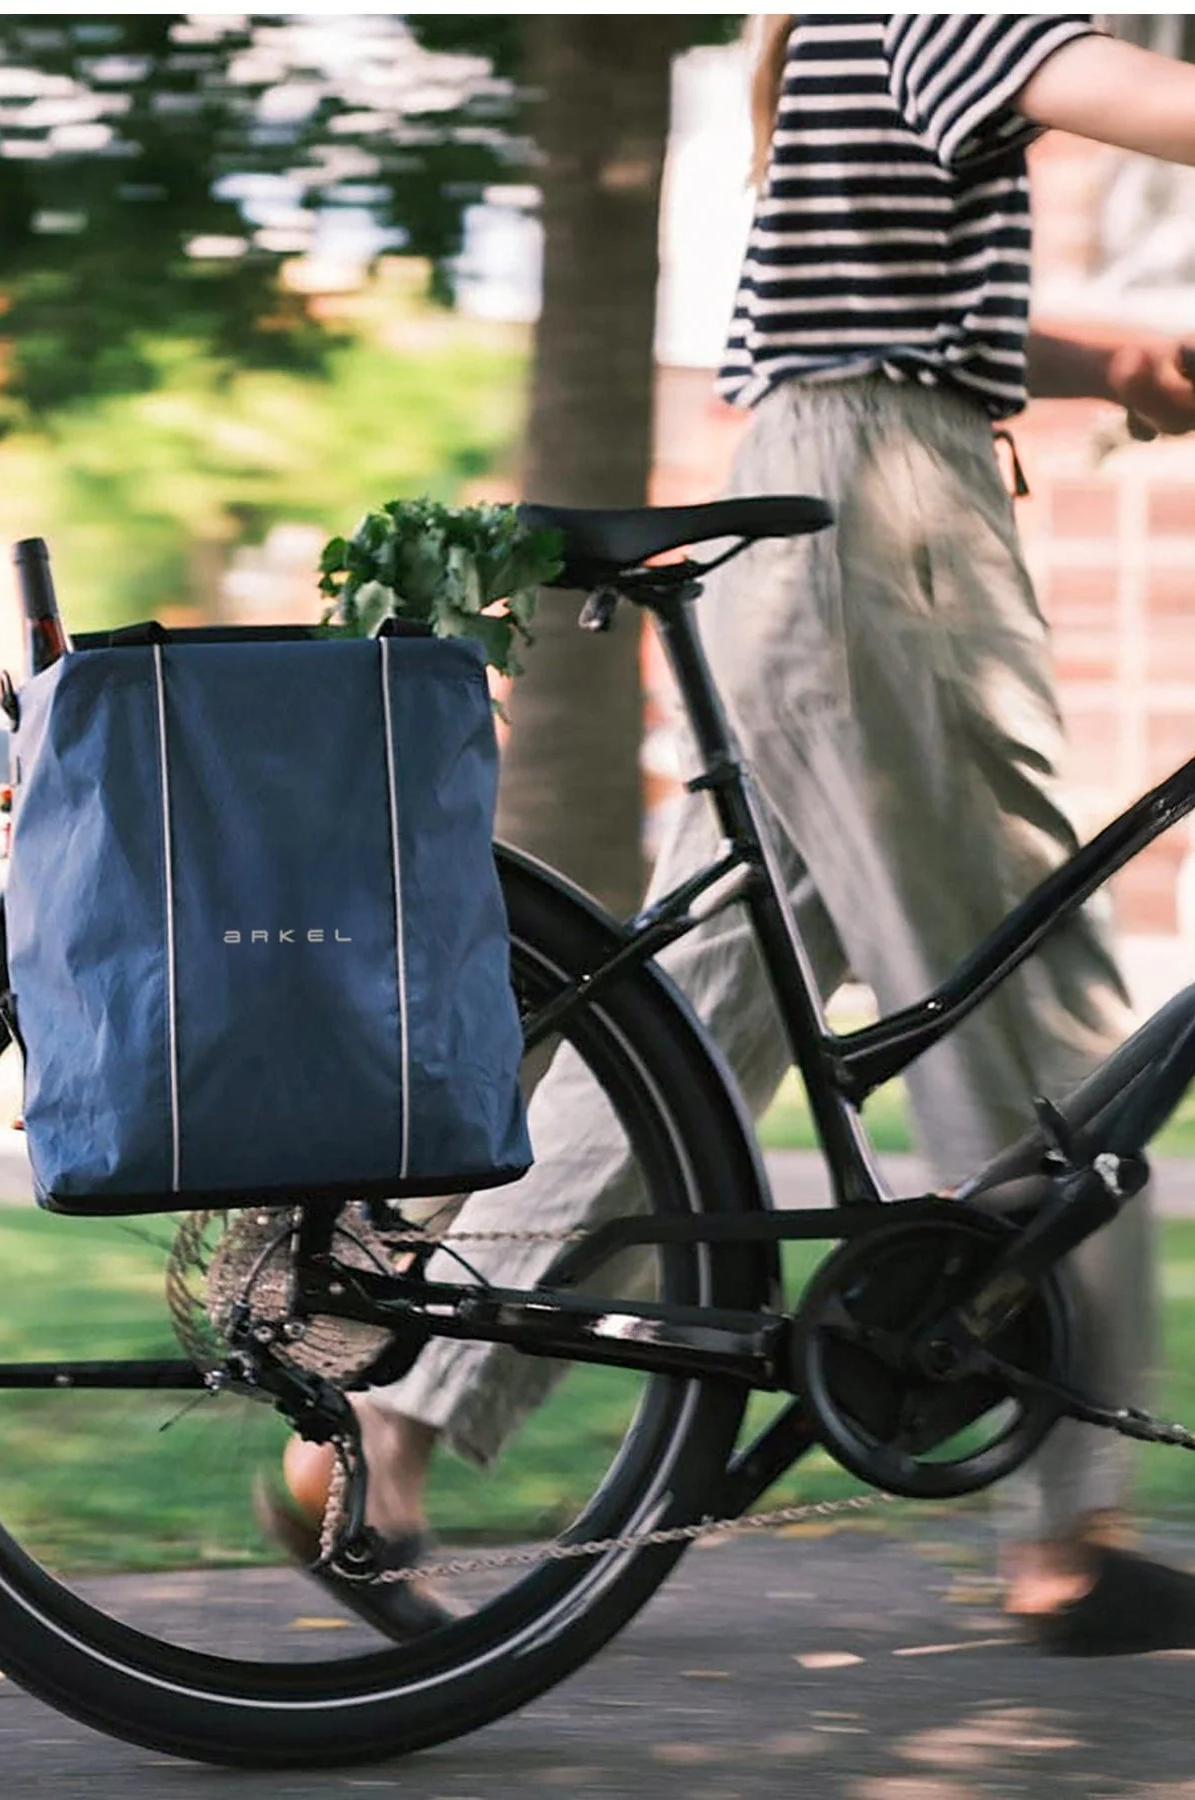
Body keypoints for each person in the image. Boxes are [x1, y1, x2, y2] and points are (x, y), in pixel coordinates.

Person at [269, 13, 1195, 1654]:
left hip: (837, 504)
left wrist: (1111, 362)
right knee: (1037, 1006)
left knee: (688, 1033)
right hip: (884, 531)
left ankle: (388, 1421)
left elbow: (892, 304)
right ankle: (1068, 1527)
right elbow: (1136, 102)